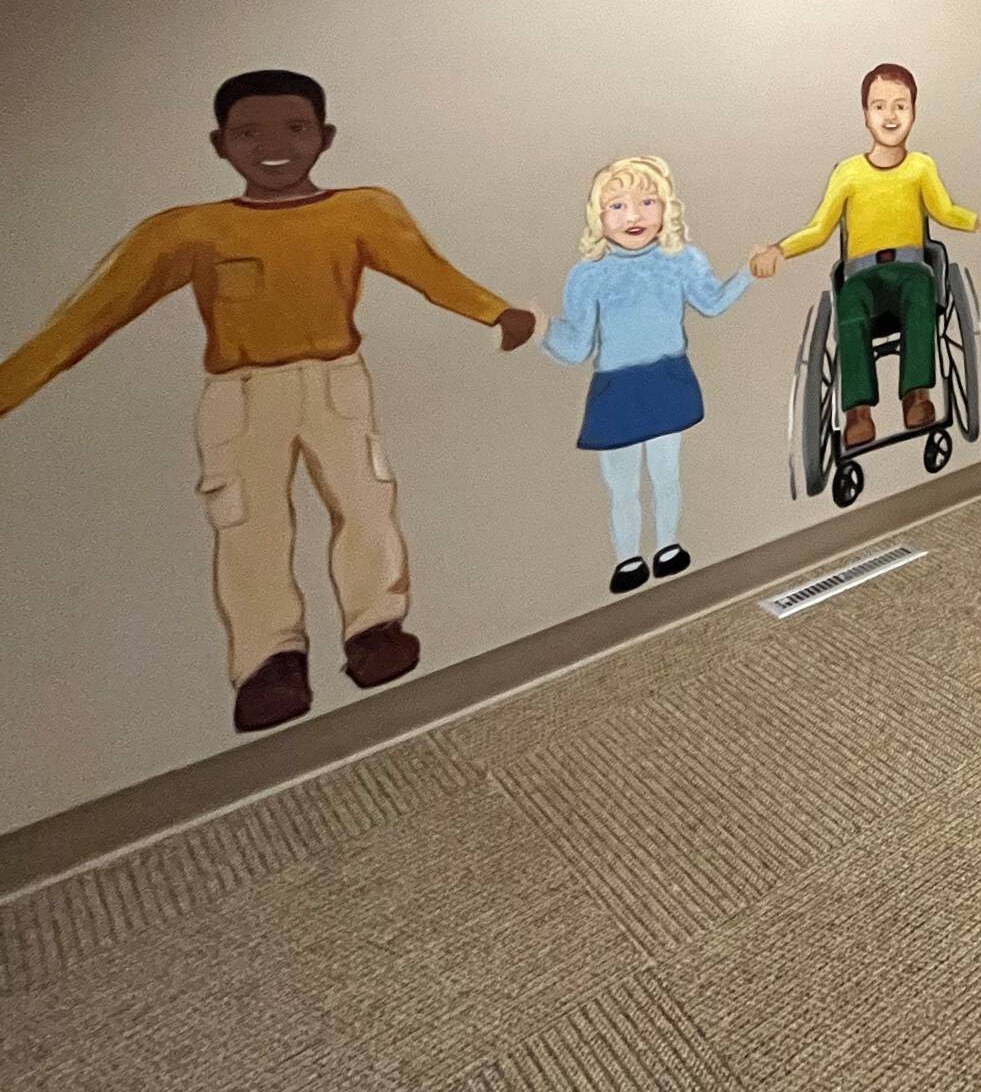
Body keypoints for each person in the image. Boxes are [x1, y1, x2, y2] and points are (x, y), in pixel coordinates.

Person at [0, 70, 534, 734]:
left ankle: (375, 626)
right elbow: (90, 314)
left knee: (366, 501)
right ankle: (268, 661)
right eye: (249, 132)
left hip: (336, 380)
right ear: (220, 144)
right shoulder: (187, 231)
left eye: (295, 128)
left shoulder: (364, 211)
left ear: (324, 137)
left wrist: (494, 311)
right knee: (248, 524)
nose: (273, 146)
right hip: (242, 394)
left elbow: (427, 270)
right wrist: (9, 386)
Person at [542, 156, 749, 595]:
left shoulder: (681, 259)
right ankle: (629, 560)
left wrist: (748, 272)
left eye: (647, 202)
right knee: (622, 487)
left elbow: (711, 302)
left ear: (666, 207)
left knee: (666, 475)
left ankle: (668, 547)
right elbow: (576, 347)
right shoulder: (589, 274)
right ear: (598, 216)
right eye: (617, 205)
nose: (633, 216)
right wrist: (540, 328)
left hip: (666, 378)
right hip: (617, 388)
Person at [752, 64, 977, 450]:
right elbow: (819, 229)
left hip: (910, 268)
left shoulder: (921, 167)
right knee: (850, 306)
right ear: (866, 115)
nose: (890, 116)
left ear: (913, 112)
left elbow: (945, 211)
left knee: (920, 291)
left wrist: (980, 222)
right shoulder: (848, 173)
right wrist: (779, 249)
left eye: (900, 106)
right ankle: (858, 413)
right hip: (861, 276)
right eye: (879, 106)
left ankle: (916, 396)